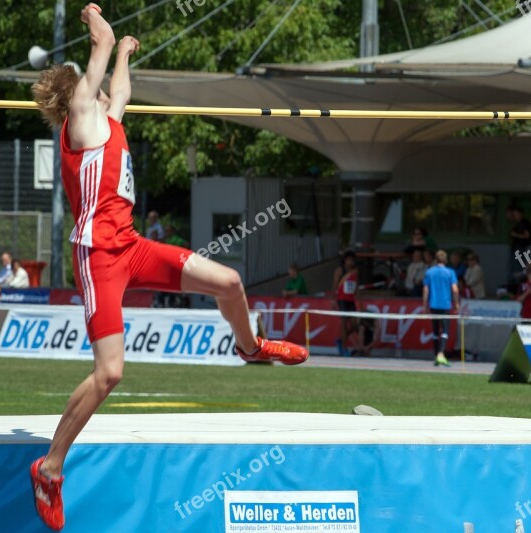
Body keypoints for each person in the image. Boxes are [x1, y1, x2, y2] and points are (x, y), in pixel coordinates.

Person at [29, 6, 308, 530]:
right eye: (96, 83)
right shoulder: (81, 115)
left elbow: (123, 90)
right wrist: (99, 24)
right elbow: (101, 49)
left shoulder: (107, 120)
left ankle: (250, 348)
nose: (109, 90)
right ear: (79, 95)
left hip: (131, 245)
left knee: (228, 282)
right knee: (110, 372)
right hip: (98, 257)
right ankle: (49, 467)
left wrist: (127, 54)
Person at [422, 250, 459, 367]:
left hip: (433, 304)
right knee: (445, 330)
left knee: (435, 330)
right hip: (445, 305)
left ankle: (436, 355)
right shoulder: (450, 272)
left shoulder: (429, 272)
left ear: (435, 260)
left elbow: (426, 289)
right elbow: (455, 289)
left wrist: (424, 305)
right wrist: (457, 303)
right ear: (446, 260)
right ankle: (440, 354)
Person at [333, 251, 358, 357]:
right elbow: (335, 285)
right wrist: (333, 300)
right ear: (345, 260)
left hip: (351, 299)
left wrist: (359, 301)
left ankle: (340, 340)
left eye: (352, 260)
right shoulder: (340, 270)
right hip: (342, 299)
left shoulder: (355, 271)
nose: (351, 262)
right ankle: (343, 348)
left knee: (354, 325)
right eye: (349, 259)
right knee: (343, 323)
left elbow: (357, 286)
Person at [508, 206, 531, 286]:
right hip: (515, 247)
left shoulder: (524, 223)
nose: (514, 215)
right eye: (514, 214)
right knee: (512, 267)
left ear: (521, 214)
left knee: (518, 267)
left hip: (520, 248)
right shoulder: (517, 223)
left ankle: (518, 285)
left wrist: (516, 235)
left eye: (516, 214)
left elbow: (527, 235)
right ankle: (512, 285)